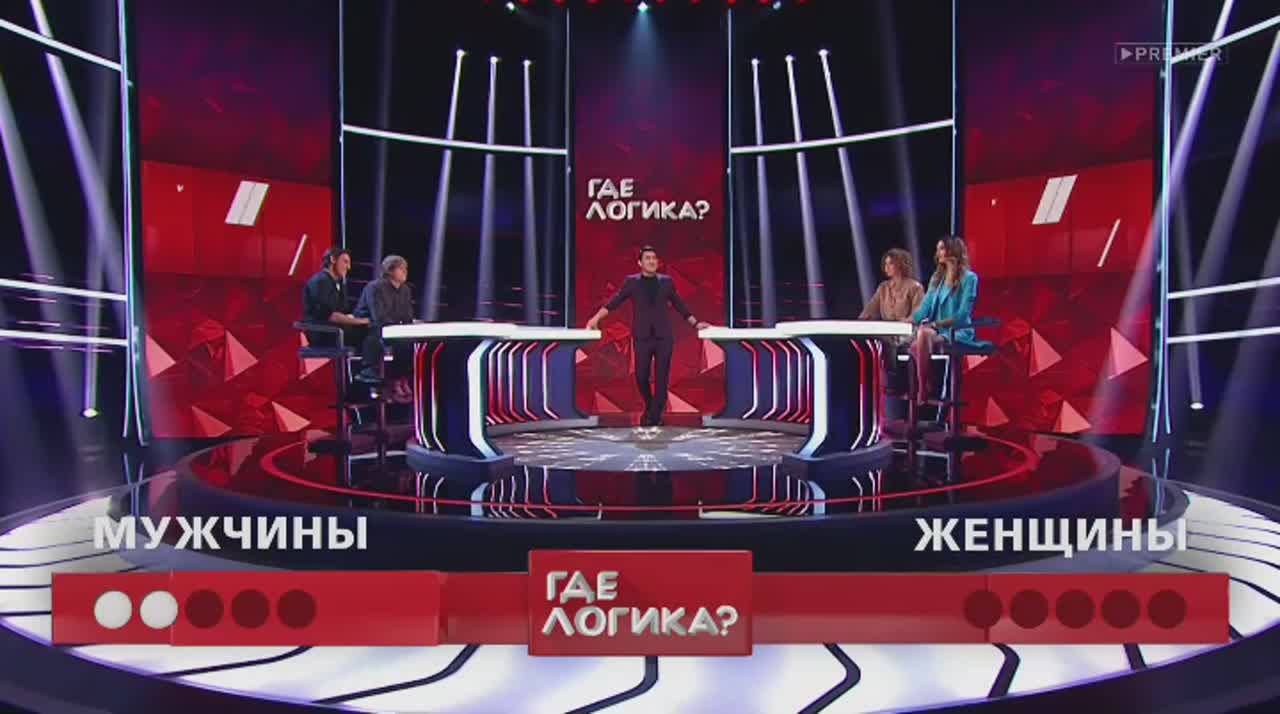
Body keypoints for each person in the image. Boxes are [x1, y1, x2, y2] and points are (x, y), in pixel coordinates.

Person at [584, 246, 711, 426]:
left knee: (662, 379)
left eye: (654, 258)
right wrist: (595, 318)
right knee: (641, 376)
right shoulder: (632, 282)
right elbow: (615, 302)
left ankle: (655, 416)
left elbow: (679, 304)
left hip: (664, 338)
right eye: (648, 258)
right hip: (642, 337)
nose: (652, 261)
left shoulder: (666, 282)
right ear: (640, 263)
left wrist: (696, 323)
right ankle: (651, 406)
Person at [911, 236, 979, 402]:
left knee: (922, 336)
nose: (938, 253)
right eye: (938, 249)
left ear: (952, 250)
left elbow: (963, 314)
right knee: (915, 343)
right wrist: (908, 320)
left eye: (941, 248)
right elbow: (924, 309)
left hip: (958, 331)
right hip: (936, 331)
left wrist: (936, 324)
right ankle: (928, 383)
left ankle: (923, 388)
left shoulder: (970, 278)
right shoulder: (937, 279)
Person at [355, 255, 416, 402]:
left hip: (393, 329)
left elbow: (407, 316)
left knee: (411, 341)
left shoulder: (405, 290)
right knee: (396, 341)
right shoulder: (375, 287)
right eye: (401, 268)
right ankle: (393, 382)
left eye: (405, 268)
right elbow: (378, 316)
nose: (405, 271)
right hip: (369, 329)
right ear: (390, 270)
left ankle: (402, 379)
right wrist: (398, 327)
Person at [302, 247, 369, 349]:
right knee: (369, 334)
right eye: (345, 262)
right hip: (323, 331)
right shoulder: (320, 281)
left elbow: (344, 310)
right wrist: (362, 321)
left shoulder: (338, 283)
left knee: (373, 330)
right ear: (333, 259)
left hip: (337, 329)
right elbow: (331, 316)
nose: (349, 267)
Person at [860, 248, 925, 326]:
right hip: (888, 330)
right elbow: (869, 311)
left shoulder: (915, 287)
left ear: (901, 265)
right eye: (885, 264)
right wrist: (857, 324)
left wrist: (906, 322)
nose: (886, 267)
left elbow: (918, 314)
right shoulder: (883, 287)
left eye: (890, 263)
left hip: (908, 330)